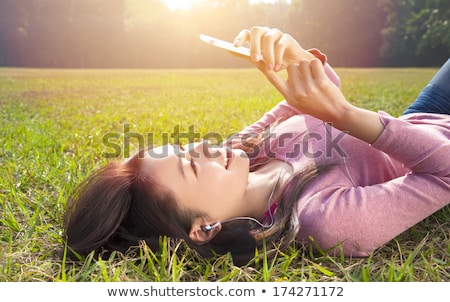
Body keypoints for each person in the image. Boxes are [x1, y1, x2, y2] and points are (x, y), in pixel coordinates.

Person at [63, 26, 450, 266]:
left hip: (424, 113)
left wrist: (288, 53)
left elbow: (317, 90)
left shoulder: (243, 151)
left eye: (188, 147)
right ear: (204, 227)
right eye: (193, 166)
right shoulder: (325, 222)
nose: (207, 148)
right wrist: (345, 116)